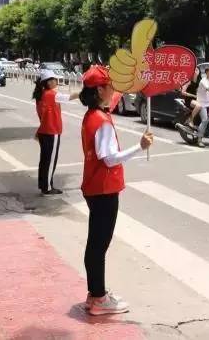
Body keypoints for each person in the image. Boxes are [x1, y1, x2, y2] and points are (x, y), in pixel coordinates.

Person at [79, 66, 154, 315]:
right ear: (100, 90)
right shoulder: (101, 121)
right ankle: (99, 299)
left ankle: (95, 293)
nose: (113, 89)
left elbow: (117, 94)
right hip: (103, 188)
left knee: (95, 243)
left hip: (94, 186)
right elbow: (109, 158)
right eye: (110, 85)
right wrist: (140, 146)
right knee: (99, 245)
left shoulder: (92, 115)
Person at [32, 69, 79, 195]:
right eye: (54, 79)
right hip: (51, 131)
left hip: (44, 131)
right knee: (50, 161)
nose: (56, 81)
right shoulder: (51, 95)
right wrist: (84, 92)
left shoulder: (41, 94)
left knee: (44, 160)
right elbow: (70, 97)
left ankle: (44, 185)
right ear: (48, 82)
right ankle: (47, 188)